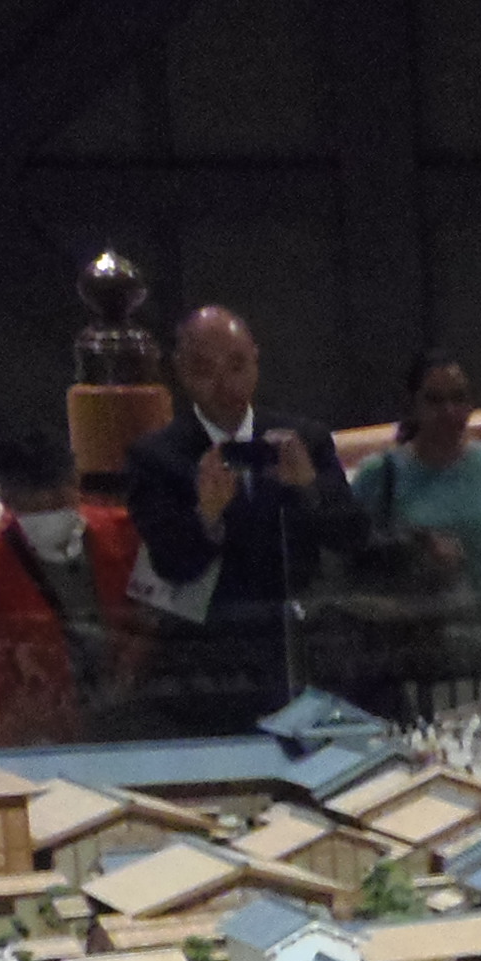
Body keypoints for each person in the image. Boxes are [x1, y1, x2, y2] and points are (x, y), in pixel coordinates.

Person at [122, 305, 371, 734]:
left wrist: (309, 488)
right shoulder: (156, 457)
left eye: (237, 365)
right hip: (210, 670)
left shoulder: (302, 439)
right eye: (205, 370)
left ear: (256, 359)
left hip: (302, 653)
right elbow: (171, 565)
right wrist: (207, 515)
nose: (225, 384)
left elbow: (353, 536)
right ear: (180, 371)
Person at [349, 349, 481, 697]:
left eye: (459, 398)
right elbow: (352, 566)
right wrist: (416, 554)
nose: (449, 411)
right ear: (413, 405)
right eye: (435, 400)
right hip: (414, 665)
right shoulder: (380, 476)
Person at [0, 426, 137, 751]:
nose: (49, 514)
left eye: (60, 501)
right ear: (5, 499)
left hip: (134, 723)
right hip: (44, 741)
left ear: (76, 483)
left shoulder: (127, 535)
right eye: (34, 509)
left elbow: (157, 625)